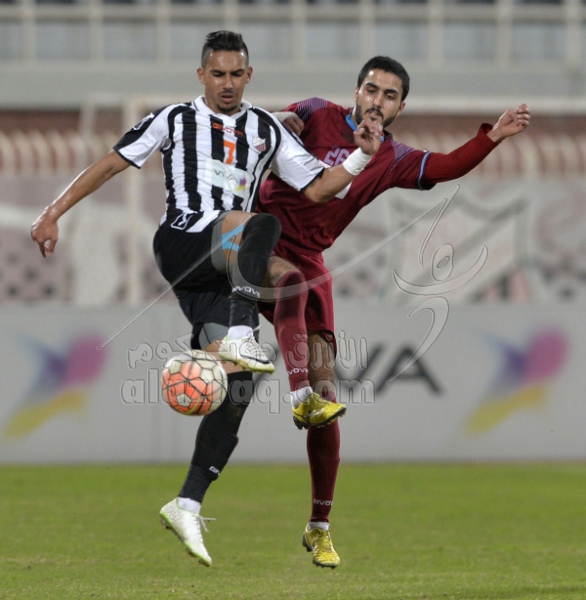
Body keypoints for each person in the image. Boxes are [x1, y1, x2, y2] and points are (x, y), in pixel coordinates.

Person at [30, 31, 382, 567]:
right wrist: (52, 211)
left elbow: (317, 187)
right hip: (184, 241)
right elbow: (111, 163)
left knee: (245, 373)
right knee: (261, 224)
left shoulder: (265, 128)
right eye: (217, 74)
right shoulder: (173, 119)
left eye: (236, 74)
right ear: (201, 76)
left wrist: (360, 158)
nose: (227, 83)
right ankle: (243, 334)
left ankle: (188, 501)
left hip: (221, 273)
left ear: (249, 75)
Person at [255, 55, 531, 568]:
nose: (376, 100)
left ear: (401, 107)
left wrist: (493, 137)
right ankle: (294, 394)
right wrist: (281, 119)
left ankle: (319, 526)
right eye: (370, 89)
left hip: (311, 259)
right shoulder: (314, 112)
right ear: (355, 92)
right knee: (288, 289)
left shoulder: (391, 157)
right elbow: (265, 128)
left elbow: (445, 167)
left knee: (328, 393)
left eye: (388, 95)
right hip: (259, 240)